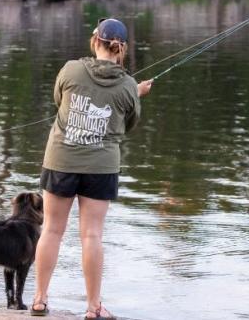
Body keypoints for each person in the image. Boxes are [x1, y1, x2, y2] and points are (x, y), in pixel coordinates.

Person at [31, 18, 153, 318]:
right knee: (92, 236)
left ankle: (39, 300)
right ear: (121, 49)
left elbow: (60, 101)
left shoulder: (70, 69)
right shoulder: (127, 86)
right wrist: (135, 93)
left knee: (52, 230)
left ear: (94, 40)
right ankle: (93, 307)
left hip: (61, 160)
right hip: (101, 167)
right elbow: (128, 124)